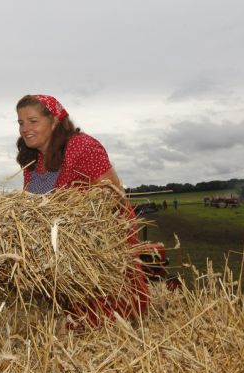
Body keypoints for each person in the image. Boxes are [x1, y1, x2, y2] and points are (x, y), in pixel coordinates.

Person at [16, 94, 148, 327]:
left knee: (107, 316)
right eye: (20, 122)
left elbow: (112, 195)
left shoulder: (82, 147)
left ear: (54, 121)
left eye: (33, 121)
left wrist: (76, 224)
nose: (25, 128)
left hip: (99, 242)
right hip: (60, 247)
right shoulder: (32, 160)